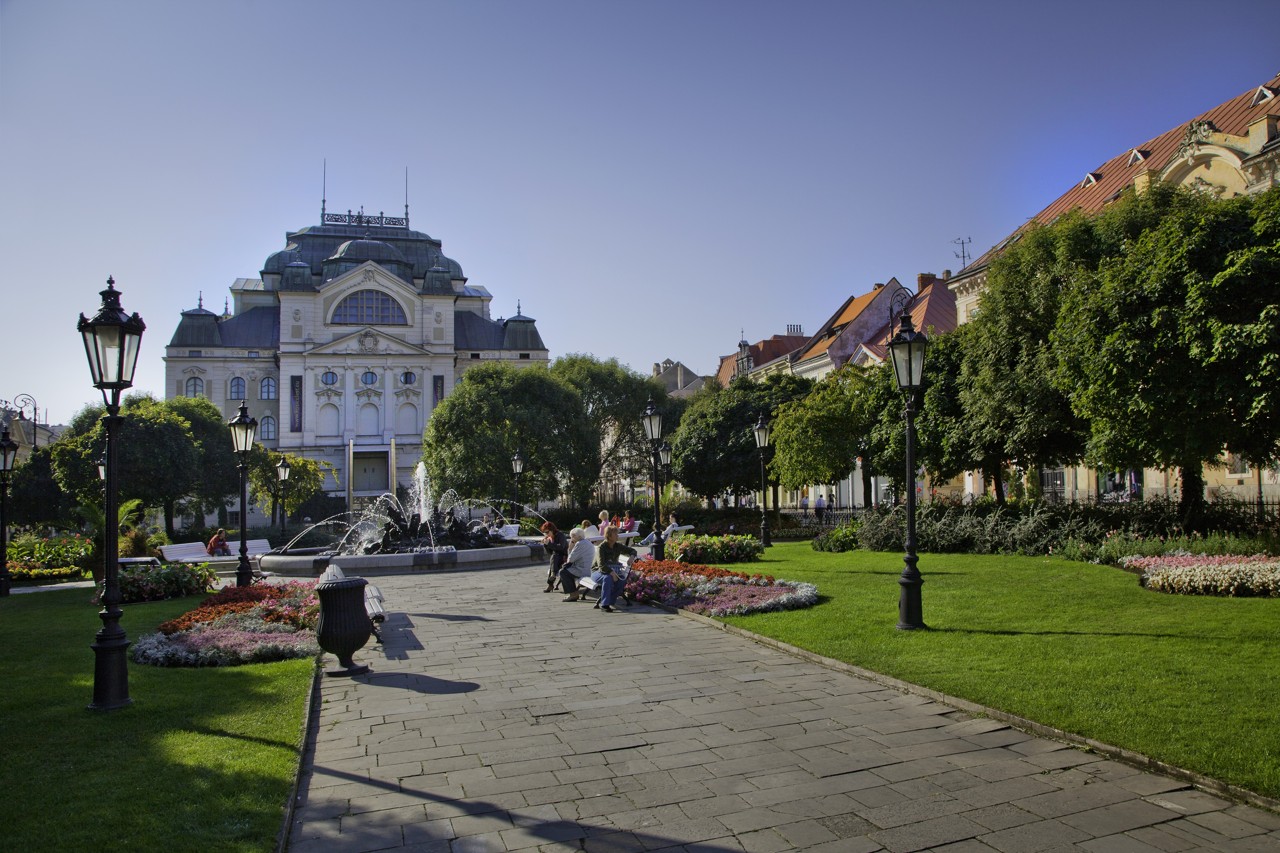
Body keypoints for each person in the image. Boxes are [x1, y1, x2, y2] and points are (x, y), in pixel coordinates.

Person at [590, 526, 636, 612]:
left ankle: (610, 601)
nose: (617, 535)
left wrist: (632, 557)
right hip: (597, 572)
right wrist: (612, 573)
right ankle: (605, 605)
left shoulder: (617, 546)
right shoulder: (601, 548)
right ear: (609, 535)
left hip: (613, 571)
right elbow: (601, 565)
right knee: (607, 578)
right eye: (615, 533)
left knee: (622, 580)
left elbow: (633, 551)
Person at [558, 527, 596, 601]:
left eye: (572, 536)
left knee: (563, 572)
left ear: (578, 536)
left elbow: (570, 559)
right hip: (587, 568)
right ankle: (574, 592)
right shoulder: (587, 542)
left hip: (583, 570)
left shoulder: (580, 544)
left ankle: (573, 594)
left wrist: (570, 548)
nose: (571, 538)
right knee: (565, 570)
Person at [540, 521, 568, 593]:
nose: (546, 534)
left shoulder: (560, 535)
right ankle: (553, 575)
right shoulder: (550, 538)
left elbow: (561, 547)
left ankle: (551, 583)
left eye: (547, 532)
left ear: (552, 529)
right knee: (554, 557)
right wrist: (546, 545)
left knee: (554, 557)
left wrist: (549, 544)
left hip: (564, 556)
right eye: (545, 533)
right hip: (556, 558)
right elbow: (549, 552)